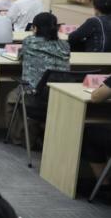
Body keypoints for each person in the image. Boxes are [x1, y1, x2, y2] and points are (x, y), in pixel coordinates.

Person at [6, 12, 71, 146]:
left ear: (35, 28)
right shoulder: (65, 45)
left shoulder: (30, 41)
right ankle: (40, 129)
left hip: (35, 93)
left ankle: (20, 138)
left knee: (11, 98)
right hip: (60, 93)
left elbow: (20, 56)